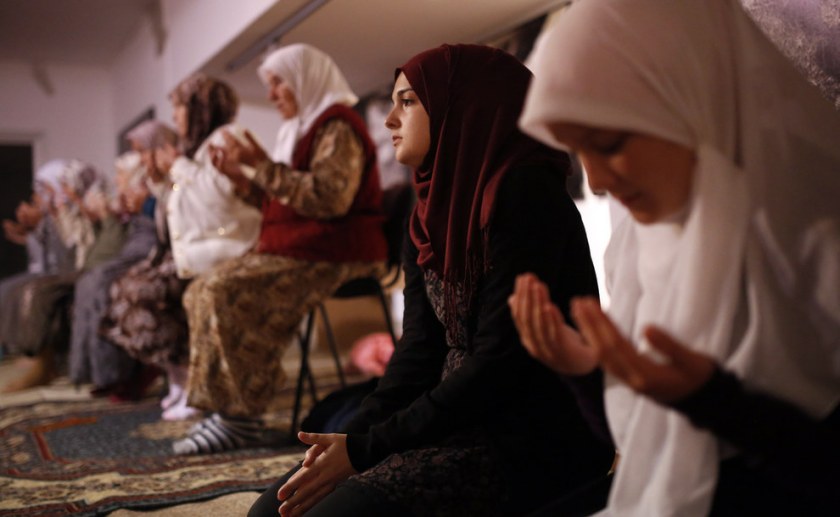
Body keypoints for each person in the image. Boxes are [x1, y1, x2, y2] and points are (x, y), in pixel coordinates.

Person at [247, 44, 615, 517]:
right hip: (451, 418)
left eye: (408, 102)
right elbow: (419, 349)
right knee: (270, 511)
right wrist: (346, 442)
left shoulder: (526, 196)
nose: (389, 121)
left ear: (461, 105)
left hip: (525, 435)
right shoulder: (426, 214)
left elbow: (499, 365)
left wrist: (367, 450)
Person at [510, 1, 840, 515]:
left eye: (608, 143)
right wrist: (585, 369)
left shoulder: (819, 242)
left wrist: (713, 400)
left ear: (690, 98)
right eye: (578, 153)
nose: (595, 182)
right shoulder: (643, 246)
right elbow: (648, 445)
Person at [173, 43, 387, 455]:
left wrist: (264, 168)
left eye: (277, 83)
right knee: (201, 288)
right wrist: (243, 179)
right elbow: (286, 208)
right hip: (310, 246)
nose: (272, 94)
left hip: (338, 253)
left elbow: (329, 199)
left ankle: (241, 417)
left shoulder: (337, 127)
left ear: (303, 80)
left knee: (223, 290)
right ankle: (226, 411)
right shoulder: (304, 130)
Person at [103, 76, 262, 420]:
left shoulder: (224, 138)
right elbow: (184, 210)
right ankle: (181, 381)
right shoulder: (200, 147)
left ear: (200, 107)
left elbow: (214, 203)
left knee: (144, 292)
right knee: (128, 288)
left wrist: (176, 167)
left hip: (228, 247)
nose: (174, 114)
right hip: (206, 248)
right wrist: (164, 182)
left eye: (179, 105)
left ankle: (191, 384)